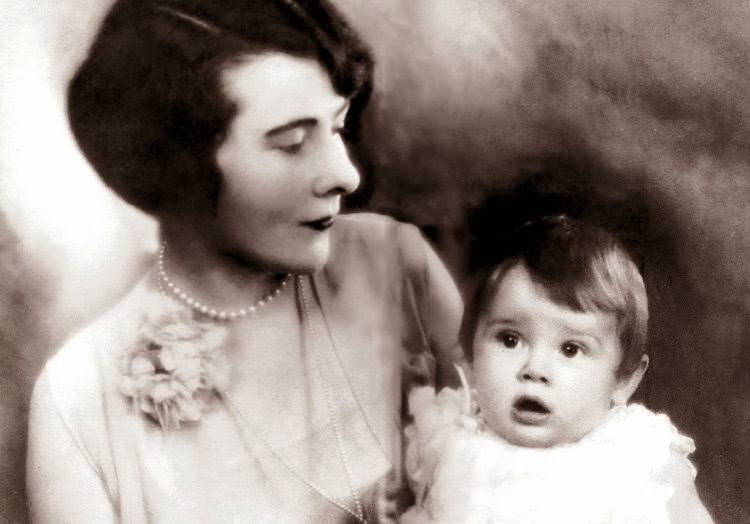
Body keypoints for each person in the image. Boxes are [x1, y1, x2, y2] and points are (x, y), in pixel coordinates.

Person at [25, 1, 463, 522]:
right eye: (292, 144)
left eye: (339, 128)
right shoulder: (78, 399)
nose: (345, 175)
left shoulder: (393, 264)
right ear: (180, 167)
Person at [402, 215, 714, 523]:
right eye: (510, 340)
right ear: (471, 359)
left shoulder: (639, 460)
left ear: (623, 380)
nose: (535, 369)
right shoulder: (449, 442)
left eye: (570, 349)